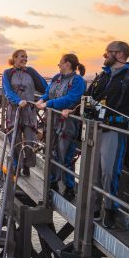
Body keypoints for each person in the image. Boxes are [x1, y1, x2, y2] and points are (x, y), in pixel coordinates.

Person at [64, 41, 129, 229]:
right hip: (95, 128)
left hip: (114, 131)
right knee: (94, 172)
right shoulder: (103, 76)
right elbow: (88, 98)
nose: (104, 56)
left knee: (110, 172)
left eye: (106, 53)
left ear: (119, 54)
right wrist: (71, 110)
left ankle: (110, 210)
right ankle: (94, 209)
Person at [35, 54, 86, 201]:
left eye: (60, 63)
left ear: (68, 64)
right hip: (51, 121)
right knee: (51, 150)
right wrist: (42, 99)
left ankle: (69, 186)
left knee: (66, 154)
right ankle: (52, 181)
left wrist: (48, 104)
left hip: (67, 122)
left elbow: (72, 98)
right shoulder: (57, 77)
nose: (58, 65)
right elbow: (48, 92)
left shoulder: (78, 81)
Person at [2, 49, 47, 176]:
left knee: (30, 141)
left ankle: (27, 165)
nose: (25, 59)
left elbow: (45, 87)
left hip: (29, 111)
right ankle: (16, 165)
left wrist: (47, 100)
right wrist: (18, 100)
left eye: (26, 57)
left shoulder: (31, 72)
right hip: (14, 111)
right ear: (14, 58)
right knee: (15, 140)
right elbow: (7, 91)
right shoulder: (7, 73)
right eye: (22, 57)